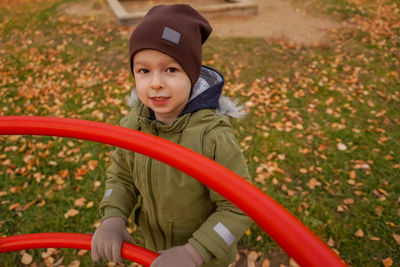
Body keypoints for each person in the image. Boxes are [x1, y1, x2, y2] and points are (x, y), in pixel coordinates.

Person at [91, 4, 252, 267]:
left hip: (207, 260)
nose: (155, 83)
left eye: (171, 70)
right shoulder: (134, 124)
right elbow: (121, 175)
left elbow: (239, 206)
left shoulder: (212, 138)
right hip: (154, 253)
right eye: (144, 71)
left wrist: (195, 252)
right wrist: (113, 216)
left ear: (192, 73)